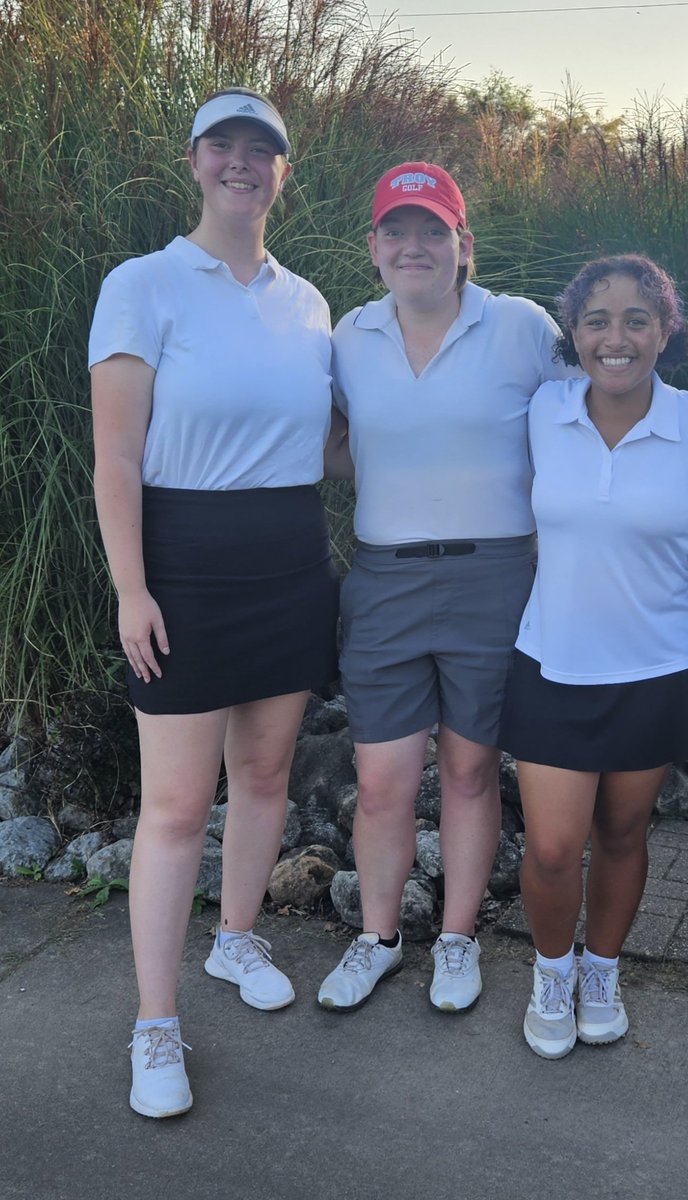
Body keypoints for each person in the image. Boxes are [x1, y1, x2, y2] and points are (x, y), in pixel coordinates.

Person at [89, 89, 338, 1118]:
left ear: (284, 171)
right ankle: (156, 1025)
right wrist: (132, 588)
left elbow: (324, 443)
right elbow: (114, 453)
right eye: (224, 146)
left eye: (262, 150)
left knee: (266, 771)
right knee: (179, 804)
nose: (243, 163)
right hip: (183, 565)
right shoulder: (144, 285)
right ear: (195, 162)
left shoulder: (309, 300)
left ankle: (236, 938)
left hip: (287, 559)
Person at [317, 162, 572, 1015]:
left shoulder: (521, 329)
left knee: (468, 771)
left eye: (434, 230)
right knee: (384, 779)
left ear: (464, 244)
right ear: (374, 246)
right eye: (398, 230)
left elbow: (576, 427)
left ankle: (456, 940)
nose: (414, 246)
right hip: (384, 578)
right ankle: (378, 939)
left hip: (494, 574)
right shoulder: (348, 335)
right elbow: (333, 445)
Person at [496, 255, 688, 1059]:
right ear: (574, 334)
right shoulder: (542, 410)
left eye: (637, 319)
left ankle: (602, 972)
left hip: (657, 667)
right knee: (555, 847)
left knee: (625, 835)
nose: (616, 337)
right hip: (552, 664)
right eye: (596, 320)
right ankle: (552, 975)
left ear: (667, 331)